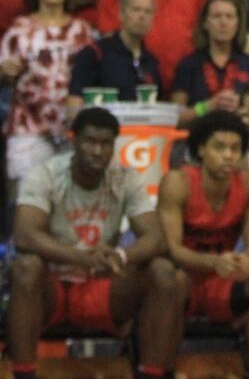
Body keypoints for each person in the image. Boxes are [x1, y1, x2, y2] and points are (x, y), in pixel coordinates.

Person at [7, 107, 179, 379]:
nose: (97, 151)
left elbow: (156, 239)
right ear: (73, 140)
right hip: (51, 289)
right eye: (90, 141)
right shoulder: (45, 173)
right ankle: (24, 375)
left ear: (114, 145)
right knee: (26, 266)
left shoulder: (126, 177)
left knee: (163, 272)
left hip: (101, 287)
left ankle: (151, 373)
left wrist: (120, 256)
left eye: (105, 143)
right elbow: (25, 234)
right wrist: (80, 258)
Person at [157, 111, 249, 378]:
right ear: (201, 149)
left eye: (236, 148)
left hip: (223, 281)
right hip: (187, 277)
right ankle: (161, 371)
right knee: (170, 279)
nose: (229, 155)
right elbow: (172, 249)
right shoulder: (177, 182)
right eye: (220, 147)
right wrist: (213, 262)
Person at [0, 0, 91, 191]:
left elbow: (91, 76)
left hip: (71, 127)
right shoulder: (19, 30)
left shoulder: (81, 30)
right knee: (25, 197)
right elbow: (4, 76)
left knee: (67, 198)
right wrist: (5, 72)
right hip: (27, 126)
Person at [171, 0, 249, 127]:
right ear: (205, 23)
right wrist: (207, 106)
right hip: (198, 141)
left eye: (229, 16)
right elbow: (176, 119)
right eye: (217, 16)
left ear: (238, 23)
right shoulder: (189, 65)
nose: (223, 22)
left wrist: (244, 110)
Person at [68, 0, 161, 111]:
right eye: (136, 10)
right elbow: (73, 109)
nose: (142, 17)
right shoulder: (95, 54)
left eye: (148, 11)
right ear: (121, 14)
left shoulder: (151, 61)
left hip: (141, 129)